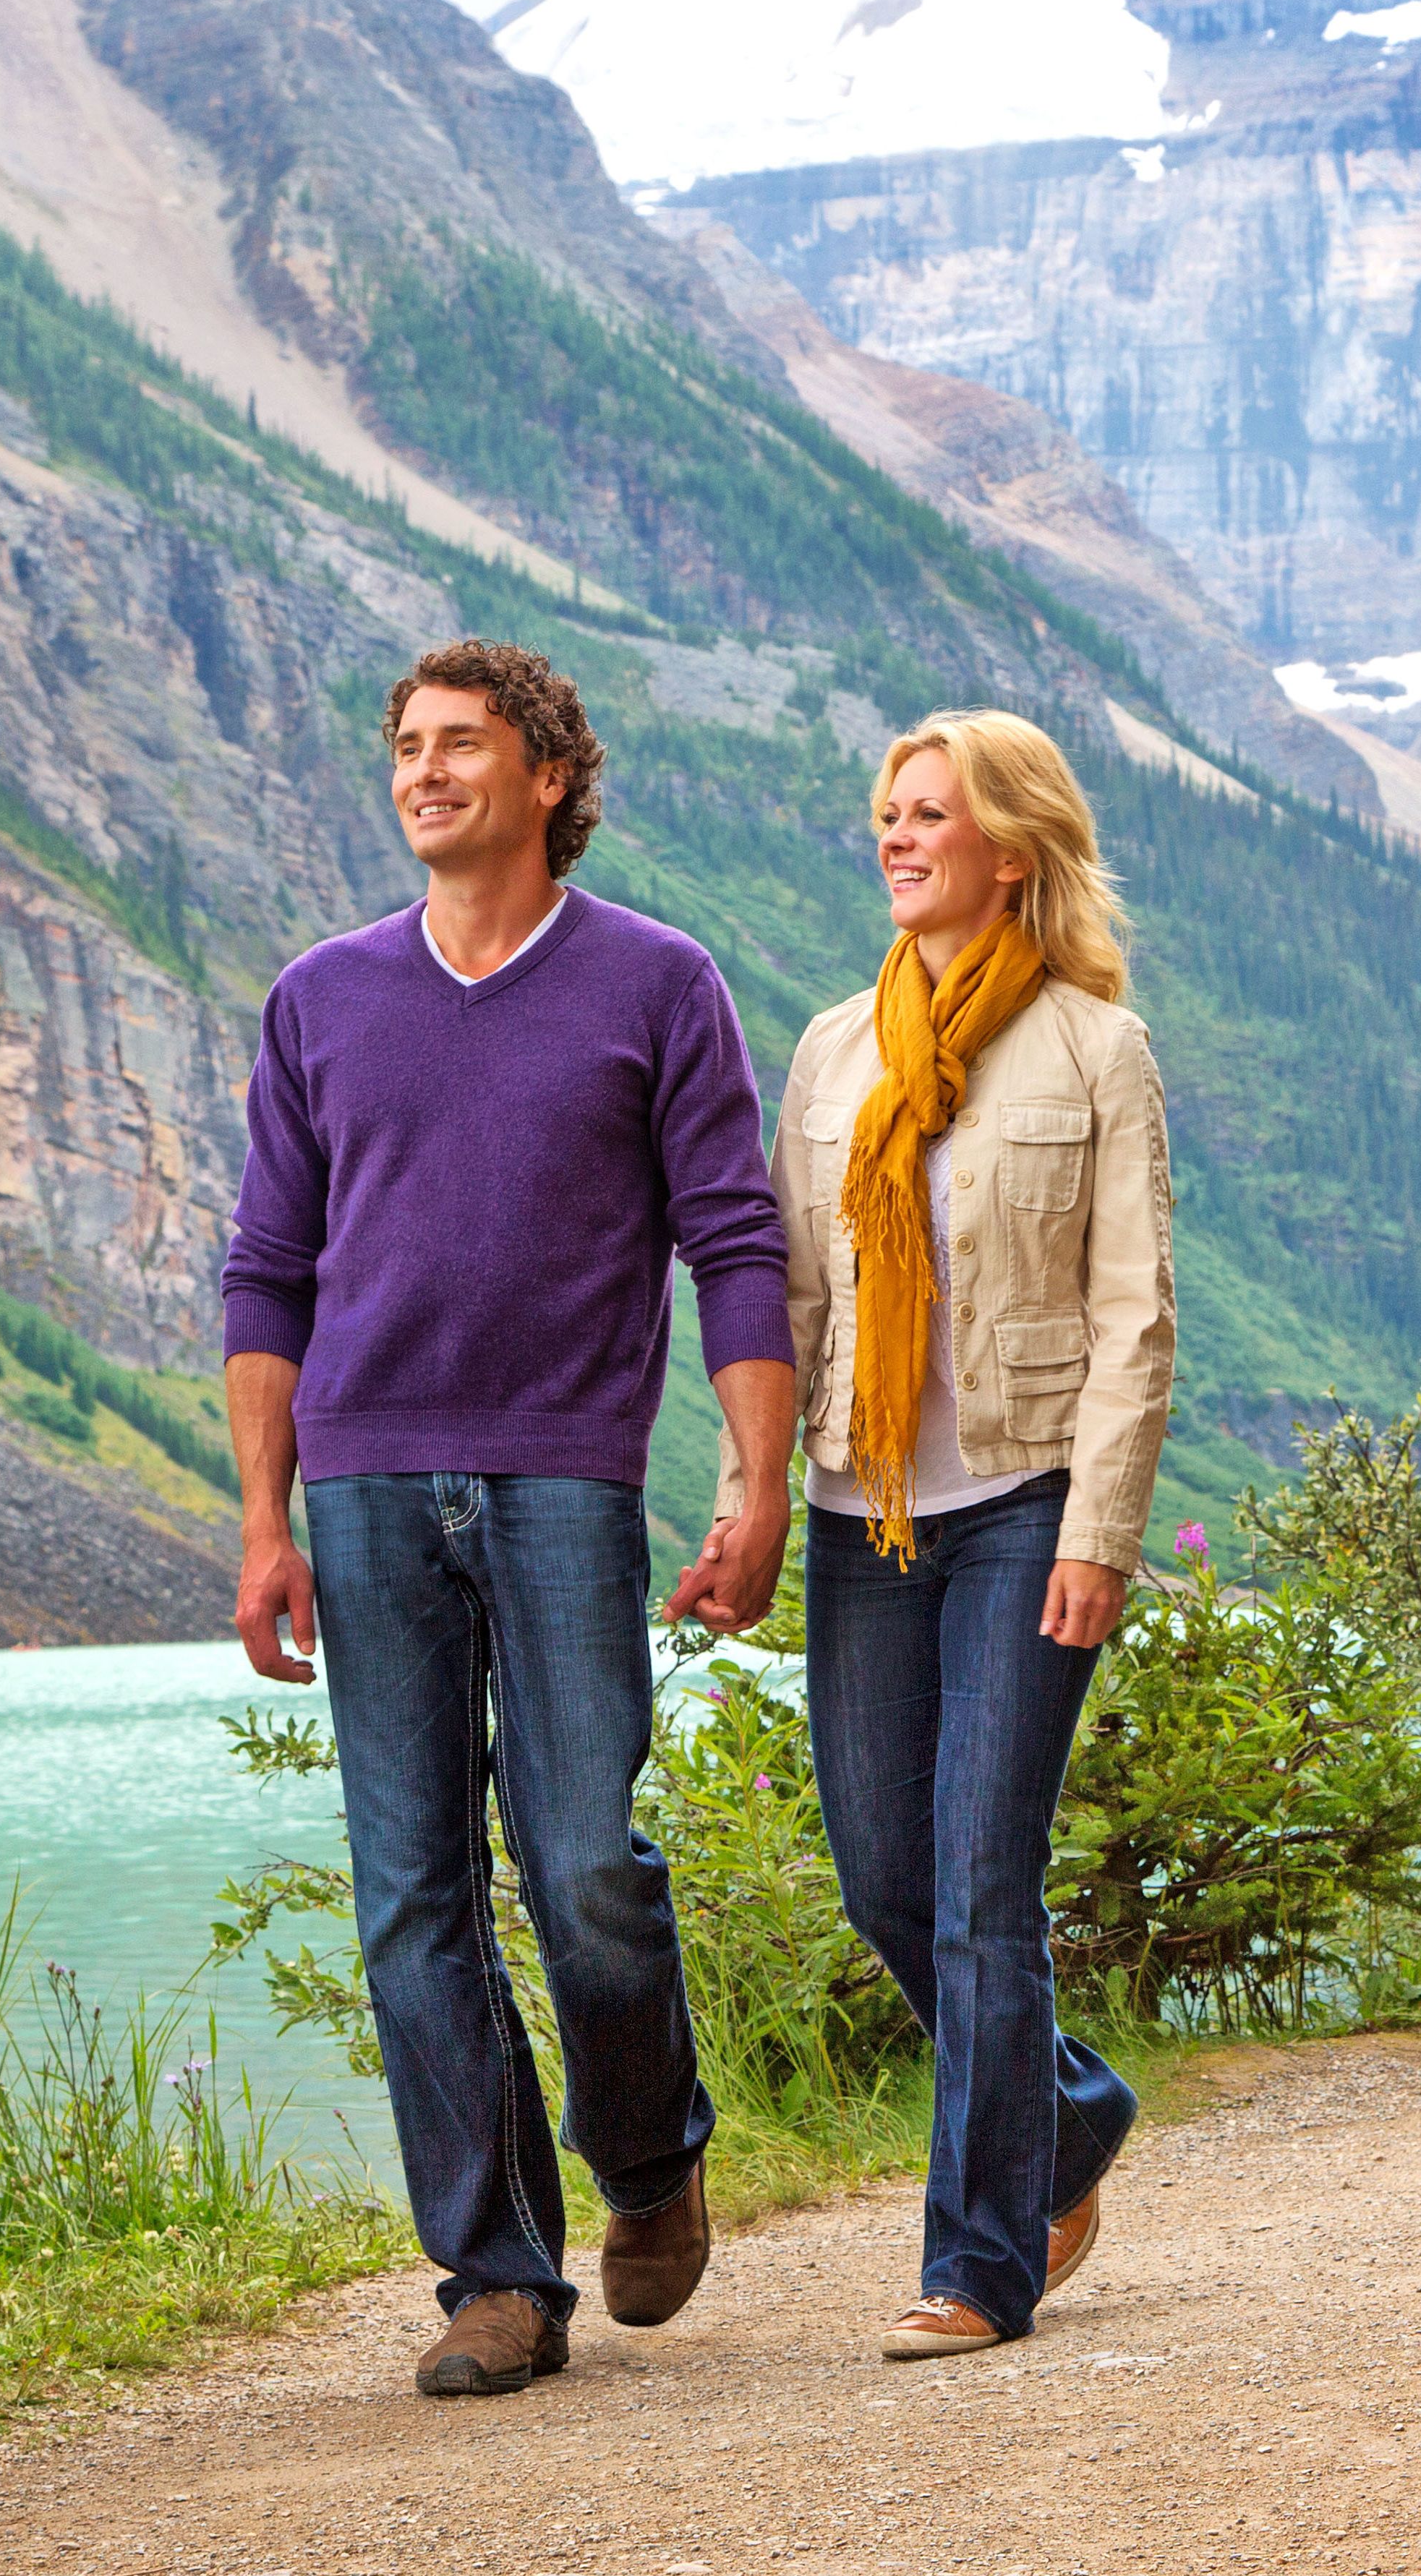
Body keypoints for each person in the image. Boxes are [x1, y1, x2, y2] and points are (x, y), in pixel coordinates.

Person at [223, 638, 798, 2402]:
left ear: (549, 773)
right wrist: (266, 1519)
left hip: (567, 1481)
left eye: (461, 743)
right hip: (369, 1487)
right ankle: (495, 2271)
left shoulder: (657, 981)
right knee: (410, 1900)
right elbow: (265, 1272)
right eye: (404, 744)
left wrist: (755, 1481)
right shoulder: (321, 997)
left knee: (588, 1869)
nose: (422, 770)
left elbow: (735, 1243)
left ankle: (647, 2152)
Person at [704, 709, 1176, 2358]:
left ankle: (979, 2260)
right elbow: (790, 1298)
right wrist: (746, 1495)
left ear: (1013, 847)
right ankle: (1074, 2107)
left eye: (930, 814)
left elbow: (1136, 1318)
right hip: (860, 1512)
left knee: (983, 1881)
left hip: (1027, 1506)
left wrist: (1101, 1528)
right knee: (883, 1873)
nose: (897, 837)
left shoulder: (1096, 1051)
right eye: (887, 813)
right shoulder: (837, 1049)